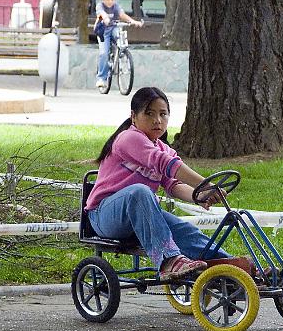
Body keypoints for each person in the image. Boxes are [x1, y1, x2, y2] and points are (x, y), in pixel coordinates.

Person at [85, 87, 244, 280]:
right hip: (105, 217)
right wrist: (206, 184)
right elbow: (166, 164)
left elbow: (173, 184)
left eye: (163, 114)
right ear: (134, 116)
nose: (157, 120)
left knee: (188, 232)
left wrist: (199, 195)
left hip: (142, 215)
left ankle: (233, 270)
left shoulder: (164, 149)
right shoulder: (128, 138)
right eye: (149, 114)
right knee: (139, 192)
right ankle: (169, 260)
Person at [94, 0, 143, 88]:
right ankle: (101, 78)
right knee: (103, 53)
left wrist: (133, 21)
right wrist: (106, 18)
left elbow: (122, 15)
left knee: (119, 33)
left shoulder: (116, 6)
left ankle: (122, 52)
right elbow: (102, 14)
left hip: (113, 28)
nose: (110, 2)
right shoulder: (100, 6)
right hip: (103, 31)